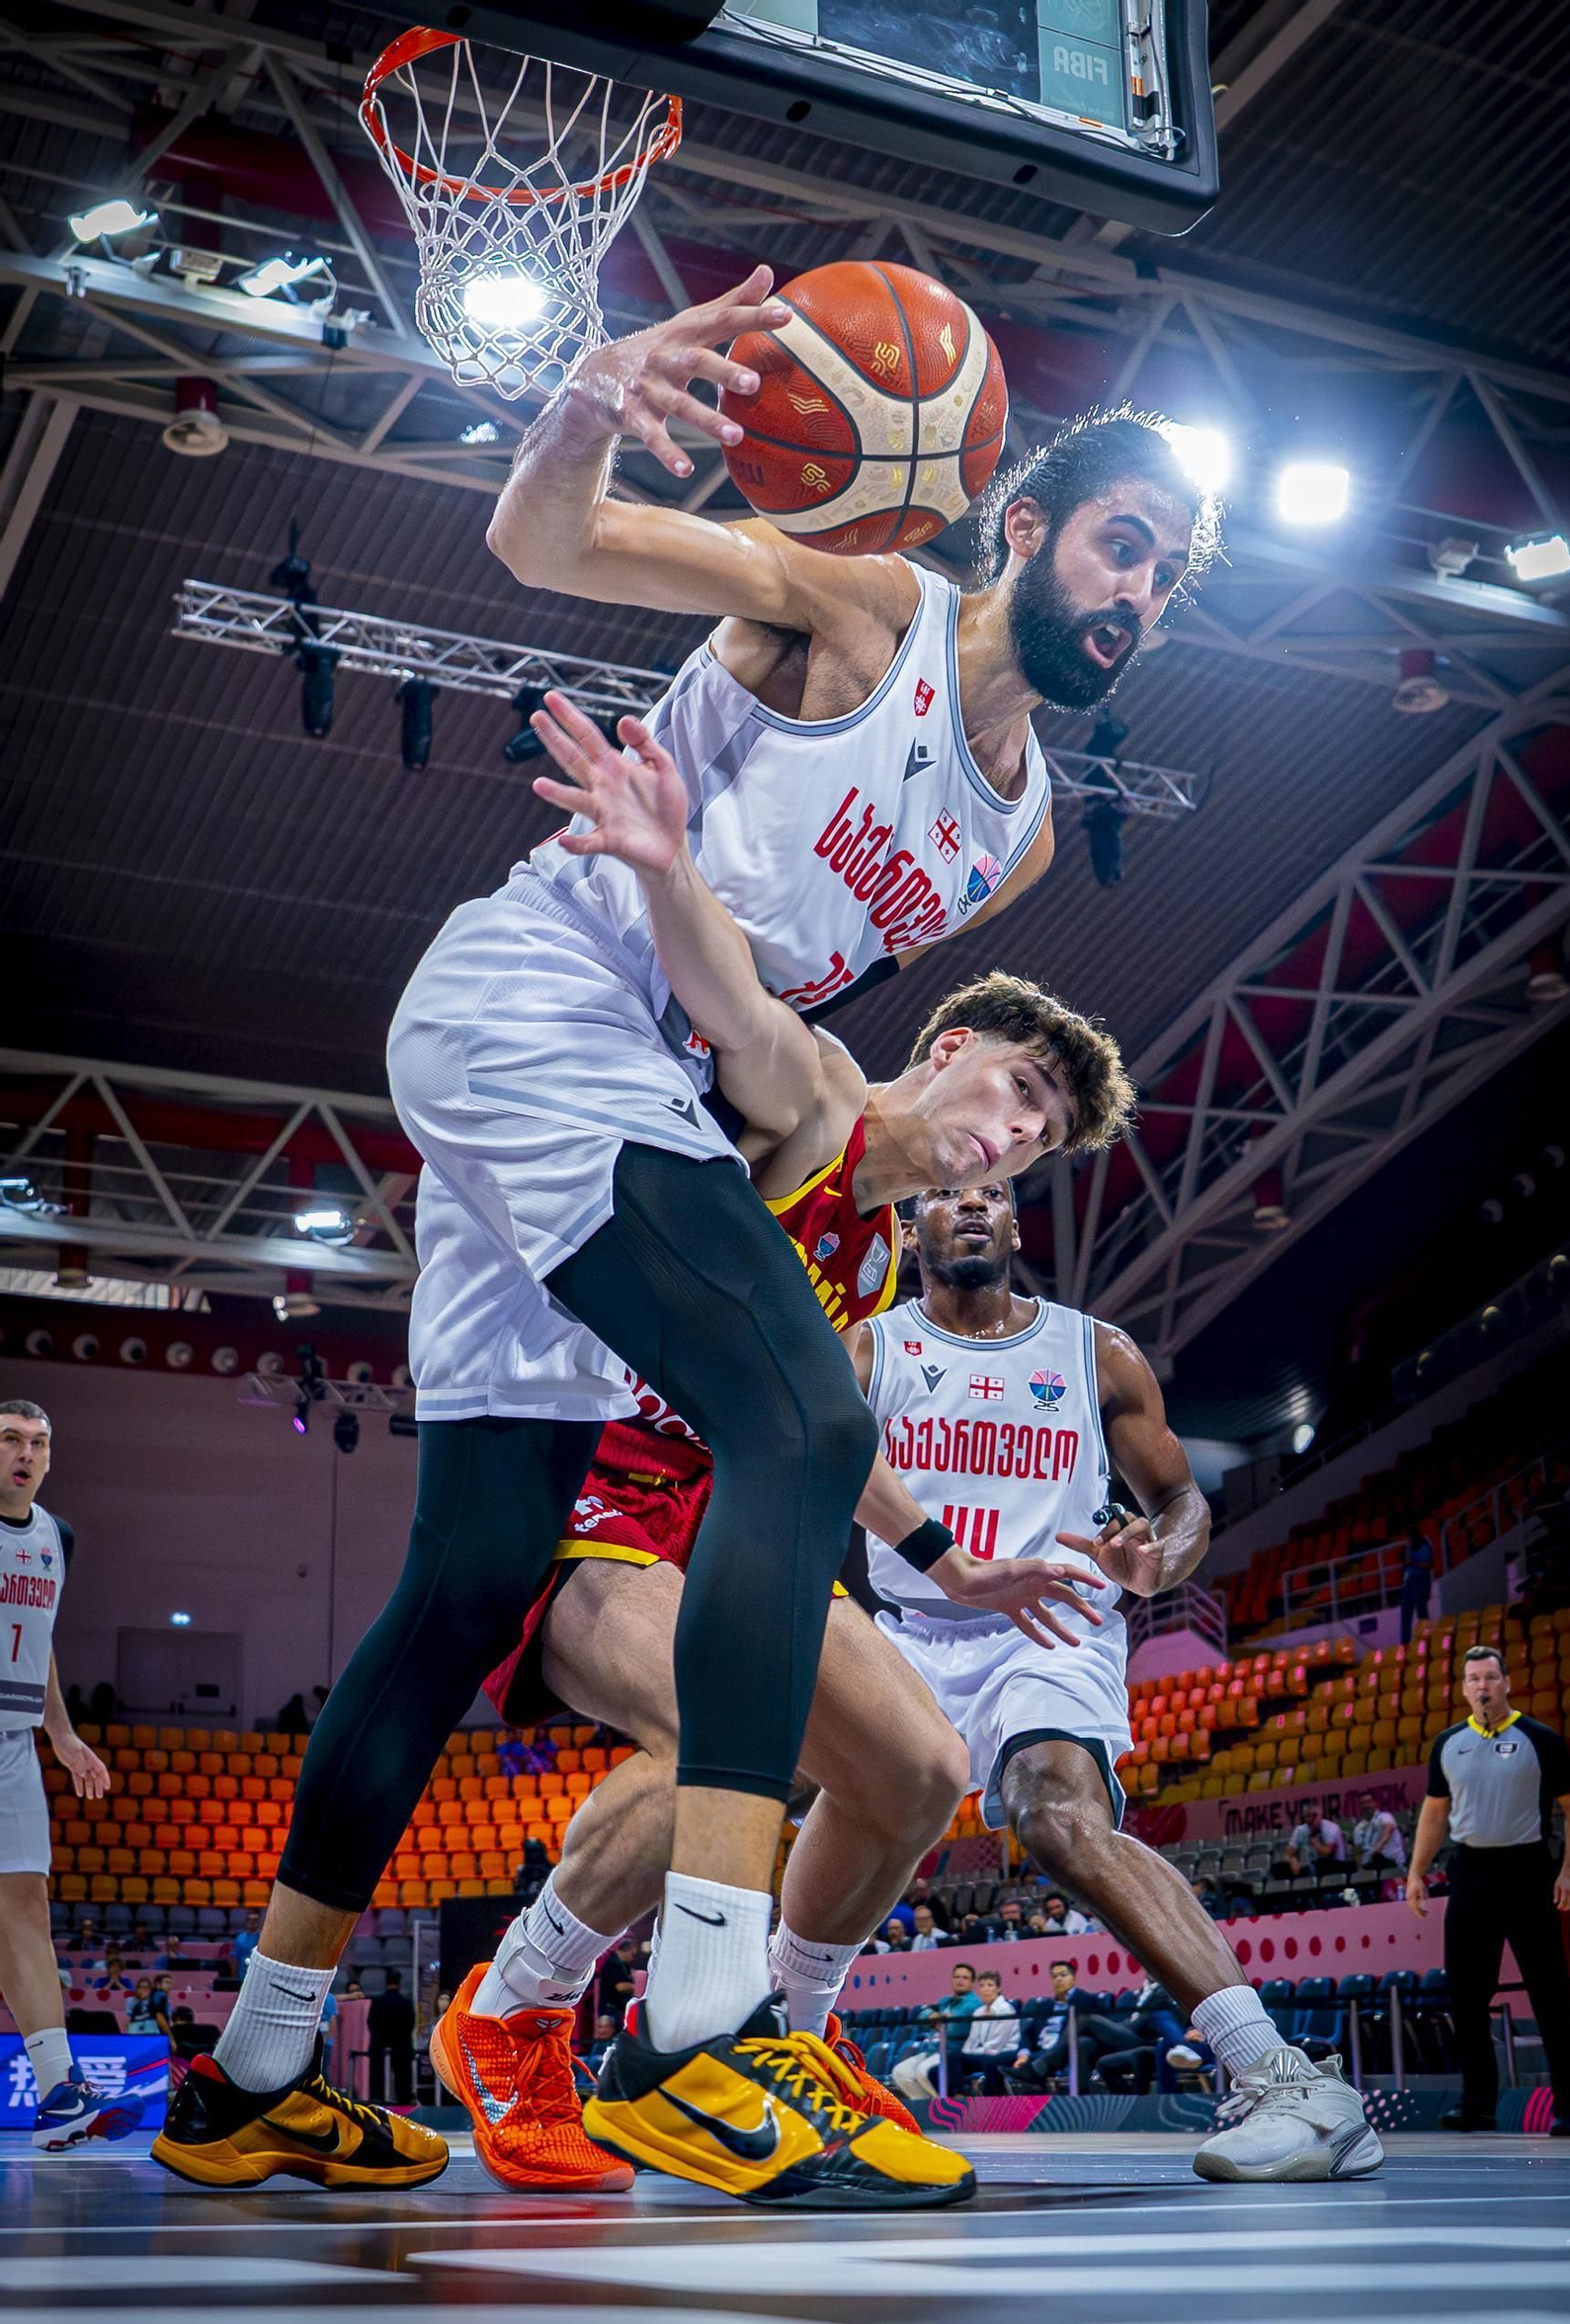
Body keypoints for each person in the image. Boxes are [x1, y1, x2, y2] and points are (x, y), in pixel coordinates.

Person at [157, 267, 1218, 2205]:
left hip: (648, 1066)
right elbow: (544, 535)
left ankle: (253, 2066)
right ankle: (701, 2031)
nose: (1142, 592)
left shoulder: (1022, 837)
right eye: (1124, 543)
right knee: (802, 1420)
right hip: (539, 1005)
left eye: (1174, 578)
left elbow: (771, 1023)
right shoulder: (866, 601)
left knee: (468, 1583)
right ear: (1030, 521)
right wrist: (580, 403)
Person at [427, 706, 1129, 2189]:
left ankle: (783, 2035)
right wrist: (671, 867)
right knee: (720, 1722)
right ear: (944, 1052)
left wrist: (949, 1560)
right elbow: (732, 1003)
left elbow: (823, 1445)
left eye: (1046, 1132)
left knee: (920, 1771)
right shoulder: (809, 1099)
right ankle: (516, 2007)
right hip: (585, 1499)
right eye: (1013, 1086)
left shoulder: (880, 1264)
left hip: (729, 1521)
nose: (1015, 1135)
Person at [850, 1188, 1382, 2183]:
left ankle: (1285, 2079)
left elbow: (1179, 1502)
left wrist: (1158, 1565)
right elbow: (825, 1475)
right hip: (914, 1629)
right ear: (907, 1229)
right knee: (788, 1803)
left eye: (994, 1196)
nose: (973, 1205)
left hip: (1050, 1628)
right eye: (948, 1196)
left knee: (1052, 1818)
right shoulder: (870, 1352)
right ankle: (785, 2038)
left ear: (1014, 1230)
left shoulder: (1096, 1351)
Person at [0, 1400, 141, 2153]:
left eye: (39, 1443)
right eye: (10, 1440)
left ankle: (61, 2089)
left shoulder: (58, 1537)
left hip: (14, 1739)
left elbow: (41, 1639)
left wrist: (62, 1732)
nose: (25, 1454)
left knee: (26, 1906)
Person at [1408, 1644, 1570, 2136]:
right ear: (1463, 1689)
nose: (1482, 1686)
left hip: (1528, 1870)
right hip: (1470, 1872)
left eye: (1490, 1677)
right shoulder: (1448, 1742)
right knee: (1465, 1996)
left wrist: (1569, 1870)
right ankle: (1477, 2102)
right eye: (1473, 1679)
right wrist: (1417, 1872)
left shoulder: (1538, 1738)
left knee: (1549, 1994)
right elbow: (1434, 1812)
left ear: (1506, 1683)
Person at [1008, 1961, 1107, 2091]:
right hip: (1038, 2051)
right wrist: (1024, 2053)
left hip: (1063, 2053)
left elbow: (1093, 2029)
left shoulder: (1085, 2000)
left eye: (1063, 1975)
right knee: (995, 2063)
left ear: (1073, 1978)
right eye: (1054, 1976)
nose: (1058, 1979)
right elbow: (1028, 2032)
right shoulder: (1044, 2005)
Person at [890, 1964, 983, 2098]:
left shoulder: (973, 2004)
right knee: (900, 2072)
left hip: (953, 2051)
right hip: (933, 2049)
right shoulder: (946, 2001)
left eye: (965, 1978)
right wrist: (931, 2017)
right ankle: (925, 2107)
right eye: (956, 1977)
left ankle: (942, 2106)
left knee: (923, 2071)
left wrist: (937, 2021)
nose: (960, 1980)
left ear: (972, 1982)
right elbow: (923, 2014)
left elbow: (954, 2029)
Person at [955, 1969, 1021, 2094]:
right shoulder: (978, 2012)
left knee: (989, 2061)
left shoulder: (1006, 2010)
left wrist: (974, 2052)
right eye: (982, 1986)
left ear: (998, 1988)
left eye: (990, 1985)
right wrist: (969, 2053)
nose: (986, 1989)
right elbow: (971, 2041)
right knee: (951, 2058)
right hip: (982, 2054)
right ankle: (959, 2096)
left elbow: (997, 2044)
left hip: (1003, 2052)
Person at [367, 1969, 416, 2106]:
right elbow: (410, 2025)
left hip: (379, 2045)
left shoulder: (377, 2002)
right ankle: (404, 2101)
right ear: (399, 1984)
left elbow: (371, 2024)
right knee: (403, 2078)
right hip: (401, 2045)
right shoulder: (406, 2003)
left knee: (377, 2076)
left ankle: (377, 2101)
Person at [1282, 1811, 1346, 1882]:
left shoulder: (1331, 1829)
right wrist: (1292, 1861)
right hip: (1309, 1867)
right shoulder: (1300, 1830)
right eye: (1307, 1816)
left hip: (1334, 1866)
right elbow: (1287, 1855)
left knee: (1320, 1865)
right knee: (1279, 1868)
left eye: (1314, 1816)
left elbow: (1327, 1853)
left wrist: (1315, 1843)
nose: (1310, 1819)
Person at [1398, 1527, 1435, 1647]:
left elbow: (1427, 1564)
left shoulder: (1424, 1544)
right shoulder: (1407, 1548)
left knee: (1421, 1611)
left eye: (1407, 1537)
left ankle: (1427, 1640)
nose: (1405, 1539)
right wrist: (1408, 1549)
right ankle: (1405, 1644)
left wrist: (1415, 1564)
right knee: (1405, 1612)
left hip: (1421, 1580)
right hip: (1409, 1581)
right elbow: (1406, 1561)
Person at [1352, 1792, 1405, 1873]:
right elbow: (1358, 1850)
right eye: (1362, 1803)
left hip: (1392, 1864)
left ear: (1375, 1803)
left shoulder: (1385, 1816)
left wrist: (1377, 1848)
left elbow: (1388, 1829)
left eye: (1369, 1801)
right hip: (1369, 1867)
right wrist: (1359, 1870)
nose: (1366, 1805)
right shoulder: (1358, 1829)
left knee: (1378, 1857)